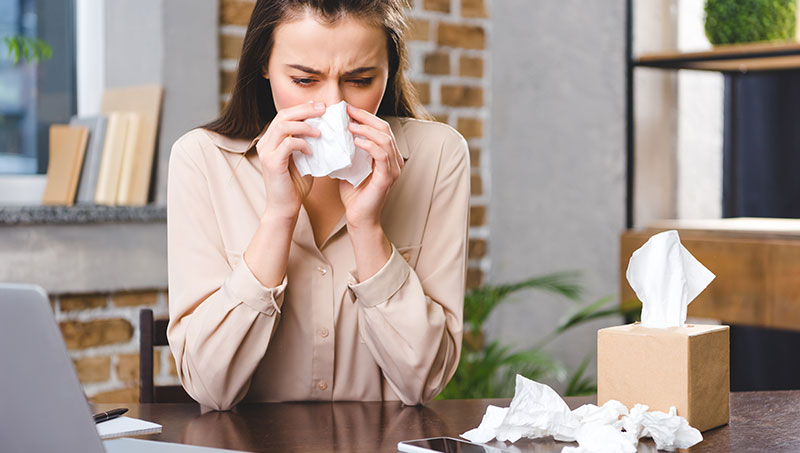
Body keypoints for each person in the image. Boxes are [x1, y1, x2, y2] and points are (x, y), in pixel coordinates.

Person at [166, 0, 470, 411]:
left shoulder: (438, 156)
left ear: (389, 72)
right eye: (305, 80)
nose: (333, 109)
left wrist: (367, 228)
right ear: (264, 66)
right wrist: (278, 217)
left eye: (360, 80)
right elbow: (209, 387)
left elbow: (426, 380)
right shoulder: (201, 160)